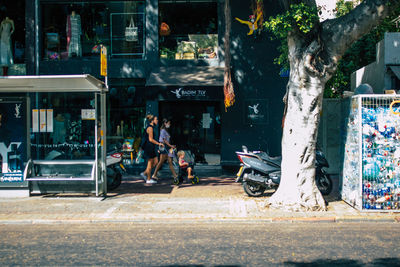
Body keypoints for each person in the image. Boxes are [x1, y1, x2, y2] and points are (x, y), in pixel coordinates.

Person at [140, 114, 164, 184]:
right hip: (149, 147)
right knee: (150, 163)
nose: (157, 121)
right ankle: (148, 179)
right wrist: (158, 143)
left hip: (151, 147)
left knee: (156, 162)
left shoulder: (152, 127)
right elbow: (150, 139)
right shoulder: (150, 128)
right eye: (156, 120)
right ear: (152, 121)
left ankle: (144, 173)